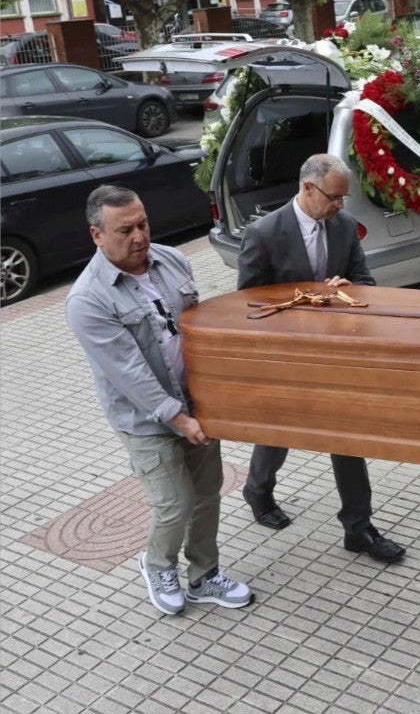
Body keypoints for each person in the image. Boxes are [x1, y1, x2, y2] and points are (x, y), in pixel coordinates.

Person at [66, 185, 252, 616]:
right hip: (146, 419)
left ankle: (205, 576)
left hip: (197, 402)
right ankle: (157, 565)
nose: (139, 236)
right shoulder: (87, 300)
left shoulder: (172, 259)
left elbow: (197, 328)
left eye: (143, 223)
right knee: (175, 504)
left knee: (207, 495)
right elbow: (130, 374)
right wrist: (180, 419)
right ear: (97, 235)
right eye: (125, 230)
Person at [237, 154, 405, 563]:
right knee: (280, 429)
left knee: (346, 437)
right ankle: (258, 489)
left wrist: (349, 286)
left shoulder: (344, 227)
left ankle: (358, 527)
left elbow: (366, 282)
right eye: (335, 197)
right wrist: (302, 299)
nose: (340, 207)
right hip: (286, 356)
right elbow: (248, 302)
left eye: (345, 199)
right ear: (308, 189)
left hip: (334, 355)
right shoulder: (264, 232)